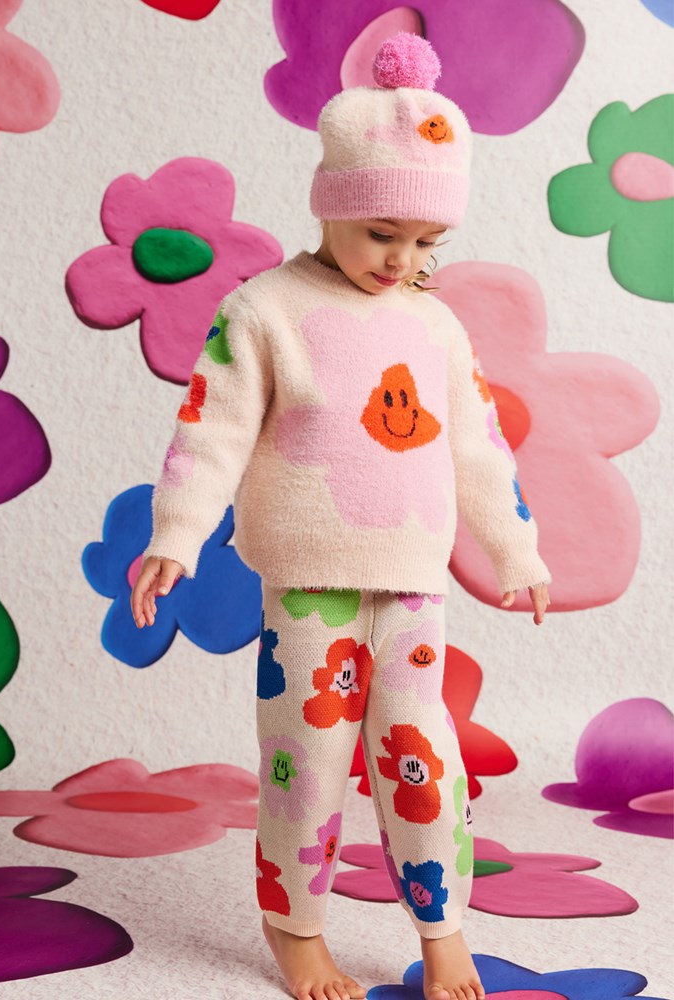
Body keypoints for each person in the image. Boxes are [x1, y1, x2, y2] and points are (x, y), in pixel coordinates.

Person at [131, 33, 550, 1000]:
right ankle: (296, 926)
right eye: (382, 233)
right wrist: (177, 535)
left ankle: (443, 927)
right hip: (308, 589)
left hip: (412, 586)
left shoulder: (436, 324)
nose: (402, 260)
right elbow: (211, 430)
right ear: (332, 205)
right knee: (306, 763)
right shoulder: (263, 309)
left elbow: (478, 445)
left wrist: (515, 549)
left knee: (423, 760)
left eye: (427, 243)